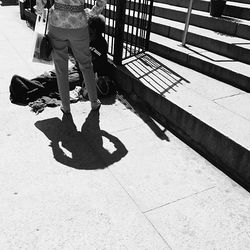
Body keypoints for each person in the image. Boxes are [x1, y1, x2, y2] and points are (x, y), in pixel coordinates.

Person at [36, 0, 107, 114]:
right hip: (79, 24)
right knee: (86, 65)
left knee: (61, 68)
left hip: (57, 23)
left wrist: (40, 9)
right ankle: (94, 102)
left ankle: (65, 106)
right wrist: (95, 11)